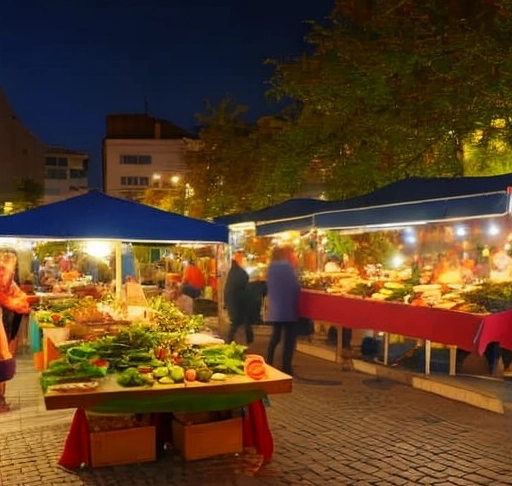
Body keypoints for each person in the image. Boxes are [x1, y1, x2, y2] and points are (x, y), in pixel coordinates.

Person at [266, 246, 300, 375]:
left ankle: (269, 360)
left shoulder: (271, 268)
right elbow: (295, 286)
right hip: (288, 308)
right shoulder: (287, 267)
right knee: (289, 340)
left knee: (276, 336)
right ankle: (286, 366)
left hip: (276, 309)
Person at [224, 251, 251, 344]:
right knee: (236, 324)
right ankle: (231, 343)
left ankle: (233, 342)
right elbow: (240, 290)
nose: (244, 261)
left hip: (233, 303)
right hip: (237, 304)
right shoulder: (240, 273)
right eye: (243, 259)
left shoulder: (234, 271)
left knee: (236, 324)